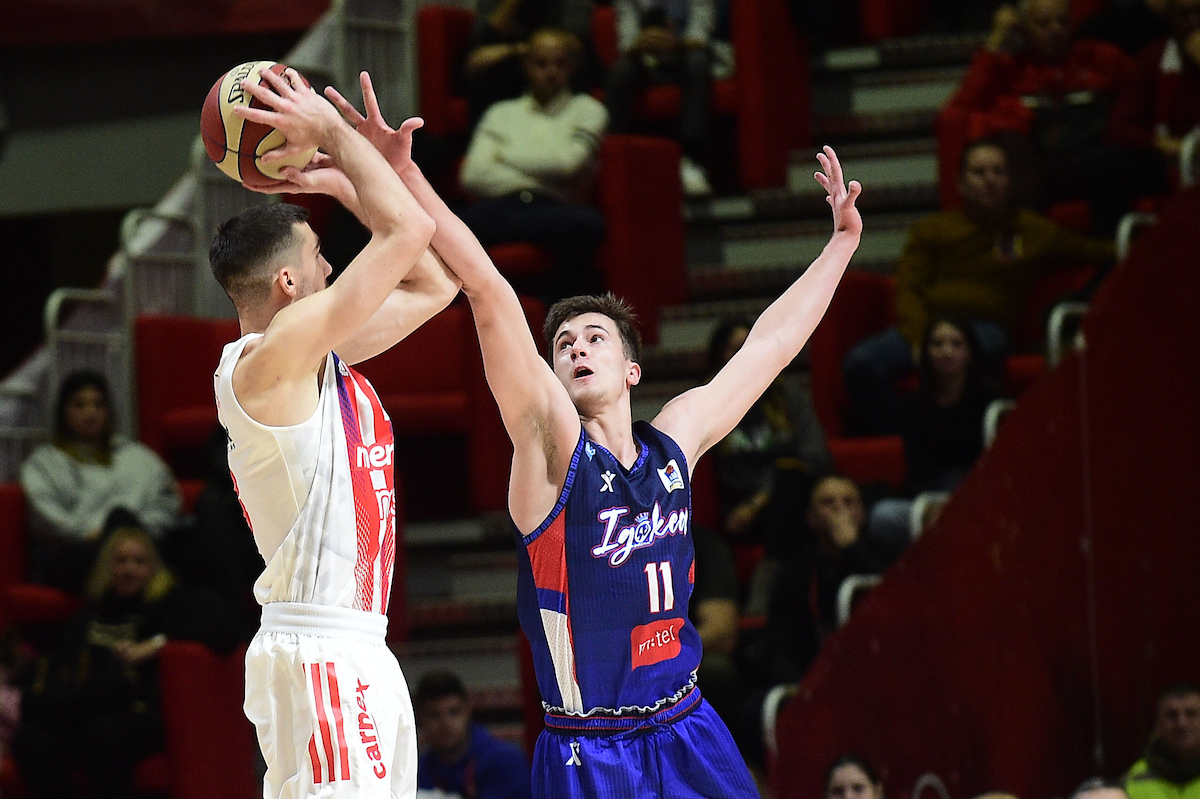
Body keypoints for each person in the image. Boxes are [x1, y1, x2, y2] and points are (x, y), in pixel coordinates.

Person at [324, 73, 860, 797]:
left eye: (595, 337)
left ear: (632, 368)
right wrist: (405, 176)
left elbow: (769, 346)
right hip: (591, 749)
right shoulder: (551, 455)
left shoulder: (675, 441)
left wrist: (840, 246)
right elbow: (489, 291)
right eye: (564, 343)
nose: (577, 346)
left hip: (687, 724)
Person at [208, 66, 460, 799]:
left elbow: (434, 284)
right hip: (319, 645)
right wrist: (337, 138)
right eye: (320, 255)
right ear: (288, 285)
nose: (331, 264)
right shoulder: (266, 364)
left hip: (357, 643)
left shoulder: (314, 356)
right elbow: (407, 231)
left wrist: (359, 179)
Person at [842, 136, 1115, 435]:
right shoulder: (933, 230)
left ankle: (977, 438)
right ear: (960, 183)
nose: (989, 180)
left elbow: (1094, 250)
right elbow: (908, 289)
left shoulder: (1030, 230)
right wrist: (922, 339)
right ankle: (911, 437)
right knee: (861, 363)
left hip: (984, 328)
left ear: (1011, 181)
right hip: (930, 326)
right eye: (979, 172)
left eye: (998, 172)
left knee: (987, 347)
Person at [12, 524, 235, 799]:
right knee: (31, 741)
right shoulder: (91, 611)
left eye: (139, 562)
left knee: (102, 736)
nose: (129, 570)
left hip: (138, 710)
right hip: (84, 707)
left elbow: (225, 630)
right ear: (107, 567)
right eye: (121, 561)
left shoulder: (168, 603)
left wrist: (154, 645)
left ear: (153, 568)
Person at [943, 0, 1138, 234]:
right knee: (1010, 150)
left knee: (1109, 161)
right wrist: (996, 40)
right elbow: (964, 104)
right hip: (1038, 167)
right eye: (1043, 24)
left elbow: (1140, 99)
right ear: (1024, 30)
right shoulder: (1012, 68)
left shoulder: (1103, 57)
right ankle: (1022, 245)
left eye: (1062, 22)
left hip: (1094, 161)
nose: (1055, 30)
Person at [458, 27, 609, 303]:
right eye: (541, 63)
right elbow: (473, 175)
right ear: (526, 66)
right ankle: (479, 313)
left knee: (588, 225)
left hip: (554, 208)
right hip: (501, 207)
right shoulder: (501, 113)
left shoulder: (588, 109)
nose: (551, 71)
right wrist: (543, 171)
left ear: (572, 67)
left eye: (560, 63)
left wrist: (504, 155)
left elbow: (567, 165)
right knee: (450, 228)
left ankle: (560, 311)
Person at [20, 368, 182, 592]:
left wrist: (135, 534)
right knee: (118, 520)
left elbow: (167, 502)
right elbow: (47, 518)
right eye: (79, 405)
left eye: (98, 404)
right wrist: (95, 533)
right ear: (63, 412)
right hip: (80, 551)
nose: (90, 412)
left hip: (141, 543)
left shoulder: (137, 456)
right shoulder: (45, 462)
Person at [705, 316, 831, 560]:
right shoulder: (707, 406)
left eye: (749, 347)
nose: (743, 356)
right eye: (734, 349)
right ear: (718, 357)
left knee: (791, 498)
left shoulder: (789, 399)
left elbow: (815, 457)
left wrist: (758, 502)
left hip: (788, 500)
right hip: (739, 511)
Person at [605, 0, 717, 196]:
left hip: (686, 50)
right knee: (621, 72)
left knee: (697, 63)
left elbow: (701, 26)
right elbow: (626, 35)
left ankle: (690, 158)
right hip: (646, 55)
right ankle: (615, 159)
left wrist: (677, 43)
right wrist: (640, 42)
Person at [1107, 0, 1200, 186]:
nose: (1193, 22)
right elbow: (1118, 127)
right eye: (1184, 15)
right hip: (1170, 160)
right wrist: (1167, 145)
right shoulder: (1153, 57)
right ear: (1171, 18)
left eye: (1199, 13)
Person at [461, 0, 597, 125]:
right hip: (514, 55)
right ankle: (492, 133)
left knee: (571, 65)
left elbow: (575, 42)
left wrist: (537, 50)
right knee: (484, 72)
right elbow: (486, 40)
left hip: (555, 54)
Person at [413, 670, 532, 799]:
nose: (445, 724)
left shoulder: (506, 761)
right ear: (420, 718)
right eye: (434, 715)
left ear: (468, 710)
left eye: (454, 712)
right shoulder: (418, 769)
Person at [1125, 683, 1200, 799]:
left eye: (1191, 714)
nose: (1182, 724)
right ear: (1158, 726)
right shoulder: (1135, 778)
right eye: (1172, 715)